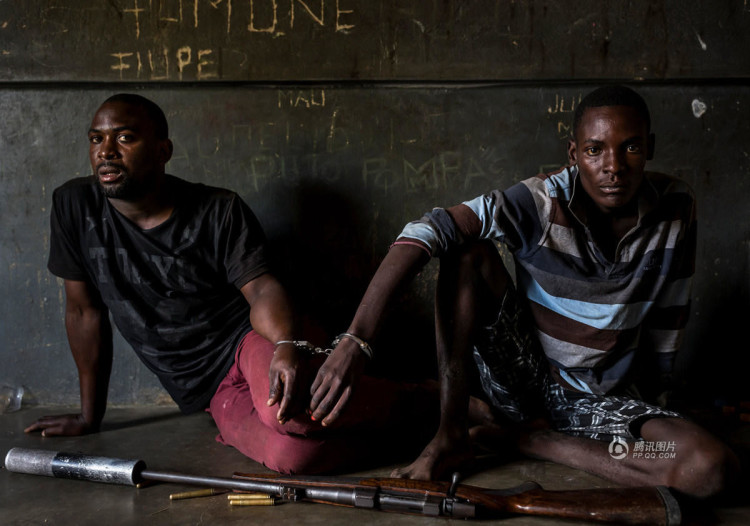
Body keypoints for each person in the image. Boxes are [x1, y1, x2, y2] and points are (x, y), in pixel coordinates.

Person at [308, 86, 740, 498]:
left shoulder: (675, 206)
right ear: (574, 154)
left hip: (604, 402)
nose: (613, 166)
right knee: (466, 251)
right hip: (526, 383)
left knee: (707, 467)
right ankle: (451, 432)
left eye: (630, 147)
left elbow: (669, 313)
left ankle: (531, 441)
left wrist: (658, 406)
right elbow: (426, 230)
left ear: (650, 147)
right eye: (594, 150)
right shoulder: (539, 201)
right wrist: (356, 341)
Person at [24, 93, 436, 474]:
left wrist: (285, 344)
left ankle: (438, 402)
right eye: (96, 139)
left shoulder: (217, 209)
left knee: (290, 415)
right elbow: (84, 312)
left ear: (163, 151)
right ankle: (421, 433)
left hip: (249, 342)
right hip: (208, 390)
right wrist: (89, 416)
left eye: (125, 137)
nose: (106, 151)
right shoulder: (74, 206)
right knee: (292, 458)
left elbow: (261, 289)